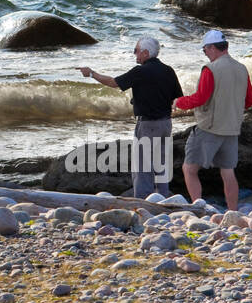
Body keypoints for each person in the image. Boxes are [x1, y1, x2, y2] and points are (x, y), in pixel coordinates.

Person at [78, 36, 182, 199]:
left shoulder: (140, 71)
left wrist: (91, 73)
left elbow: (114, 83)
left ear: (146, 53)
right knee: (161, 165)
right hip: (166, 123)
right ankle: (163, 199)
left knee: (142, 168)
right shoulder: (168, 70)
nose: (135, 55)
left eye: (136, 51)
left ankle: (142, 202)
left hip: (148, 124)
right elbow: (178, 99)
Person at [173, 30, 252, 210]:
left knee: (189, 169)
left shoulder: (210, 69)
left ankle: (198, 207)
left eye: (204, 50)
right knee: (228, 172)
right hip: (232, 129)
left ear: (212, 47)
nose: (205, 54)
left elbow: (201, 98)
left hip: (209, 128)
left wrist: (178, 102)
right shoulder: (242, 68)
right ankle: (233, 212)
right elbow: (250, 101)